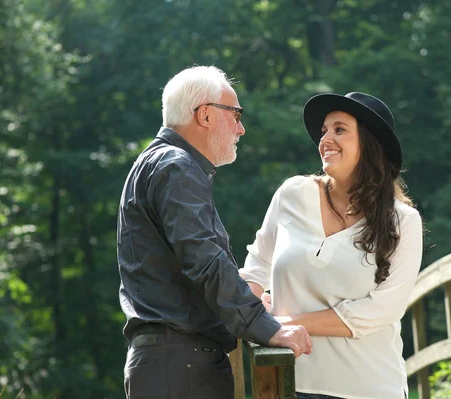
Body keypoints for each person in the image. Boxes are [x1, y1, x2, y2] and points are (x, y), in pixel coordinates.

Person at [117, 66, 312, 399]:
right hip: (182, 368)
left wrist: (246, 299)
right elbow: (203, 258)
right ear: (205, 114)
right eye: (235, 115)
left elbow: (185, 267)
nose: (242, 128)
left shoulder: (159, 164)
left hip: (172, 365)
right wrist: (266, 327)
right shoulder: (176, 167)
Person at [240, 92, 423, 399]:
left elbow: (380, 310)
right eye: (324, 130)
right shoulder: (292, 194)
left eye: (339, 129)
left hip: (370, 388)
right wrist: (249, 309)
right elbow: (257, 267)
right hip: (291, 383)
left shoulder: (403, 221)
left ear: (369, 143)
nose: (325, 138)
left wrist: (278, 324)